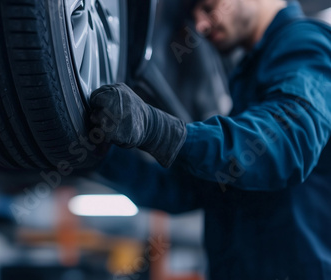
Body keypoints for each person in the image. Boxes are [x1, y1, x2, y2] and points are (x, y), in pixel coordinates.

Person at [89, 0, 331, 279]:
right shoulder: (248, 75)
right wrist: (97, 155)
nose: (201, 26)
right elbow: (187, 191)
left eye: (208, 6)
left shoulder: (304, 42)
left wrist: (162, 132)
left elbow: (288, 141)